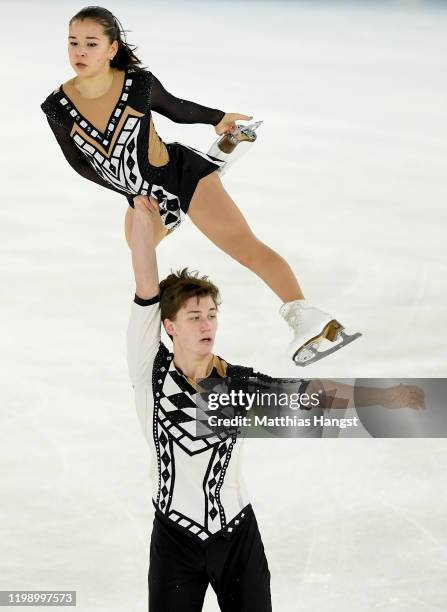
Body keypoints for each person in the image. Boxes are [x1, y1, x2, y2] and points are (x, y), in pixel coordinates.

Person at [127, 194, 424, 612]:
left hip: (236, 537)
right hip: (174, 540)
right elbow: (145, 285)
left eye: (212, 314)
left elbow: (315, 402)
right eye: (195, 317)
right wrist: (140, 209)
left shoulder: (237, 386)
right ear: (170, 326)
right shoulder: (150, 369)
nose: (207, 324)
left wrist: (383, 399)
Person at [40, 6, 361, 366]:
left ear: (112, 49)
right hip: (143, 194)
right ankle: (208, 172)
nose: (80, 52)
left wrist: (218, 118)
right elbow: (80, 164)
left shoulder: (137, 85)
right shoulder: (57, 106)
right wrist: (130, 195)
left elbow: (176, 109)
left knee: (244, 247)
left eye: (90, 43)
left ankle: (306, 316)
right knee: (137, 246)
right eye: (73, 43)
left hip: (182, 175)